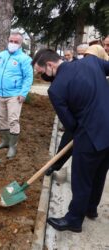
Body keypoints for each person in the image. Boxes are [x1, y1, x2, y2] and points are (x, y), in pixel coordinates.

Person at [32, 48, 109, 233]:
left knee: (82, 180)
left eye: (41, 72)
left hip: (89, 137)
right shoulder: (92, 62)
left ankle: (74, 220)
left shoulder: (56, 90)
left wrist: (59, 161)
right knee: (99, 174)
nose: (42, 76)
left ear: (50, 65)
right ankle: (91, 209)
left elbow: (71, 125)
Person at [46, 44, 109, 176]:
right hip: (79, 117)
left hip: (97, 122)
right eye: (81, 53)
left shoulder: (100, 64)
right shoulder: (75, 67)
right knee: (67, 142)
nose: (82, 56)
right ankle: (55, 165)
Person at [0, 32, 33, 159]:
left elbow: (28, 78)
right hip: (0, 94)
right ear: (8, 40)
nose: (13, 44)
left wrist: (23, 93)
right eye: (11, 41)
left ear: (21, 44)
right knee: (1, 118)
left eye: (16, 42)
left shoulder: (24, 59)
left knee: (13, 120)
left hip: (15, 96)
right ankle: (5, 142)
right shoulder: (2, 55)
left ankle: (12, 146)